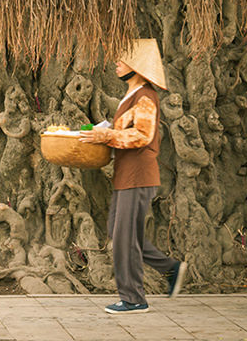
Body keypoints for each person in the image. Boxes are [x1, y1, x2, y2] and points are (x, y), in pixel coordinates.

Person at [80, 38, 187, 314]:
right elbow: (122, 128)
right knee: (122, 233)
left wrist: (108, 135)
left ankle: (133, 298)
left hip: (138, 175)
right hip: (127, 175)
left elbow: (142, 135)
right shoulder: (132, 96)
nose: (116, 62)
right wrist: (100, 130)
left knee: (123, 238)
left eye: (123, 58)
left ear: (137, 67)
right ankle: (171, 268)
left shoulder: (145, 97)